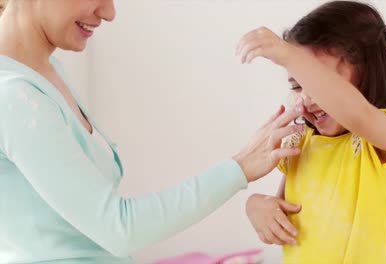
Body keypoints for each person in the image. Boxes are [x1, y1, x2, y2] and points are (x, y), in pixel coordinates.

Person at [0, 0, 305, 263]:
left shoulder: (46, 71)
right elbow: (120, 230)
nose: (109, 12)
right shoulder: (14, 98)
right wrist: (240, 166)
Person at [237, 1, 386, 263]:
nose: (308, 97)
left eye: (317, 78)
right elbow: (282, 207)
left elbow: (356, 112)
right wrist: (255, 205)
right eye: (297, 85)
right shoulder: (302, 144)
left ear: (368, 72)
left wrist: (290, 56)